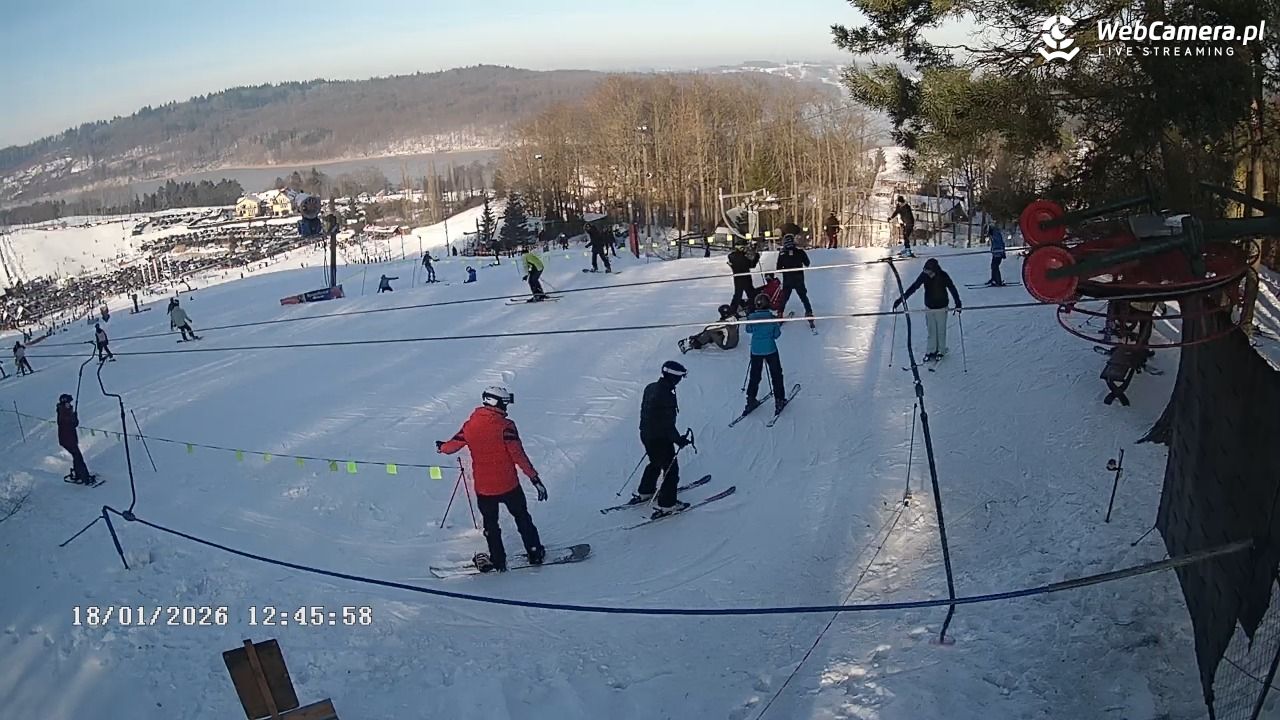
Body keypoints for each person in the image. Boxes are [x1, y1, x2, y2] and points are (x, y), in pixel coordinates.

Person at [437, 386, 547, 572]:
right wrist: (534, 479)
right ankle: (534, 553)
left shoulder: (470, 425)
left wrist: (442, 447)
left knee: (491, 525)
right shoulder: (506, 427)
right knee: (522, 518)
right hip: (509, 485)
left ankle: (498, 560)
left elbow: (451, 446)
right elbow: (519, 455)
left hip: (484, 488)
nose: (506, 408)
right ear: (497, 403)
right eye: (505, 403)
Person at [635, 361, 692, 516]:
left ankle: (646, 491)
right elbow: (666, 424)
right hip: (660, 438)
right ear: (673, 377)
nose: (680, 380)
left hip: (646, 434)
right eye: (680, 377)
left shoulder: (651, 387)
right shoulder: (666, 395)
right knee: (671, 470)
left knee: (655, 462)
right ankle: (667, 504)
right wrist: (678, 440)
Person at [893, 258, 962, 361]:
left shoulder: (943, 275)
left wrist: (958, 302)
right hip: (929, 306)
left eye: (928, 270)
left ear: (933, 269)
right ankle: (931, 350)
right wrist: (901, 300)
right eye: (925, 270)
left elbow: (952, 288)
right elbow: (914, 287)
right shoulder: (924, 276)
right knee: (931, 330)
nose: (926, 272)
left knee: (941, 330)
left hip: (941, 307)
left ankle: (941, 350)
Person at [744, 294, 787, 415]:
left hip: (756, 350)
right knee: (776, 374)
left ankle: (750, 400)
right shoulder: (771, 319)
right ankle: (779, 400)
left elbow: (748, 330)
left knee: (755, 375)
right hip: (770, 349)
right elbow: (776, 335)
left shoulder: (752, 318)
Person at [776, 235, 815, 328]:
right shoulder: (800, 252)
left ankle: (780, 313)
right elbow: (807, 263)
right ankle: (809, 312)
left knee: (784, 298)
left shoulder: (782, 254)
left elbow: (778, 268)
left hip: (787, 279)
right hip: (798, 279)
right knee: (803, 297)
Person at [57, 394, 94, 483]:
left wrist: (74, 416)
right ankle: (84, 477)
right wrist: (72, 417)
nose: (69, 404)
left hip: (71, 440)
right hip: (67, 440)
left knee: (76, 456)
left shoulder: (67, 411)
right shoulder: (62, 412)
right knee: (78, 457)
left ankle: (79, 474)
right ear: (64, 403)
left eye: (70, 403)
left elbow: (74, 424)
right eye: (68, 403)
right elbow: (68, 424)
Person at [727, 244, 760, 315]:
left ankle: (734, 311)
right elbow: (750, 264)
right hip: (742, 277)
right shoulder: (736, 256)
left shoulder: (739, 256)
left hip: (742, 277)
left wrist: (756, 256)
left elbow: (751, 264)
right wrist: (755, 256)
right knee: (744, 294)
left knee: (743, 294)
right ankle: (750, 309)